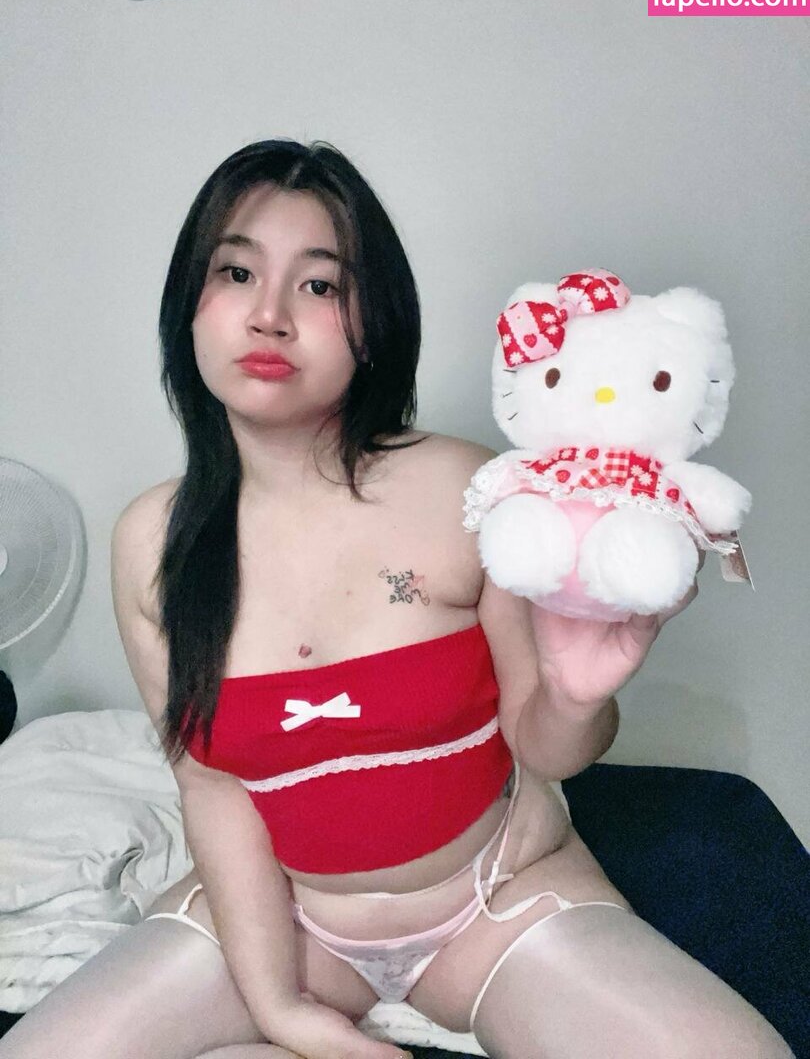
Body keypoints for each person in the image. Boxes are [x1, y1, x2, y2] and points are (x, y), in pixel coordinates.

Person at [0, 139, 792, 1059]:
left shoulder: (468, 491)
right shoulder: (153, 544)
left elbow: (548, 748)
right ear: (191, 305)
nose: (268, 315)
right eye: (237, 272)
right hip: (291, 923)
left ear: (374, 319)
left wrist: (575, 698)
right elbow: (211, 786)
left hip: (497, 901)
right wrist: (279, 1006)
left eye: (319, 285)